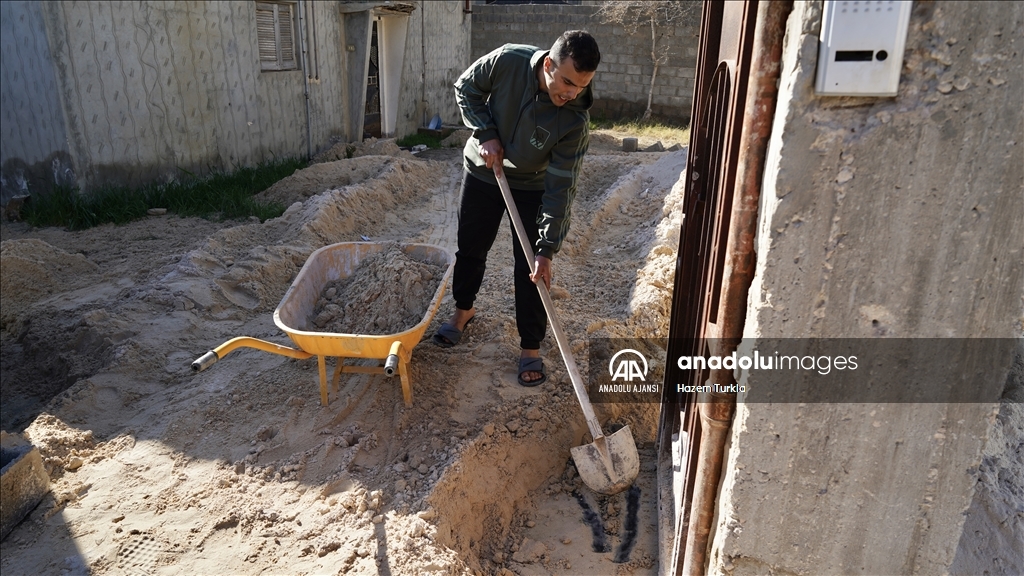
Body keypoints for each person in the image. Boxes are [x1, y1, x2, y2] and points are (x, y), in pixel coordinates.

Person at [432, 31, 601, 387]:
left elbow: (561, 189)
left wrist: (547, 247)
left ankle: (530, 346)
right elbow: (467, 88)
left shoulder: (574, 121)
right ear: (548, 65)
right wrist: (485, 132)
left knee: (532, 267)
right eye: (567, 82)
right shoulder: (508, 61)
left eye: (581, 87)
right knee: (471, 247)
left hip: (531, 185)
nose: (571, 94)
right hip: (482, 171)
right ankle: (463, 310)